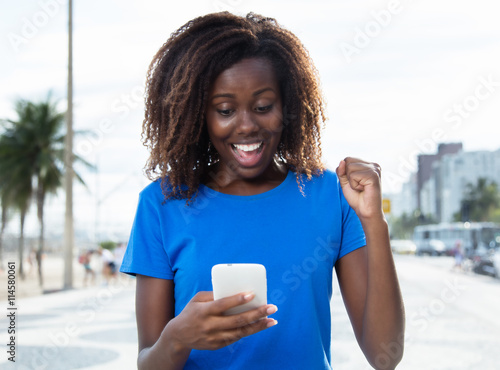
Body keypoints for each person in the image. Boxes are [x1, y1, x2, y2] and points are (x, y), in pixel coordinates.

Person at [120, 12, 405, 370]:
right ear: (198, 115)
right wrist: (176, 338)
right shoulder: (161, 204)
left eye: (263, 107)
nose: (246, 125)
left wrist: (373, 222)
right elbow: (148, 362)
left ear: (288, 106)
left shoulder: (329, 195)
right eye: (225, 110)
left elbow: (386, 357)